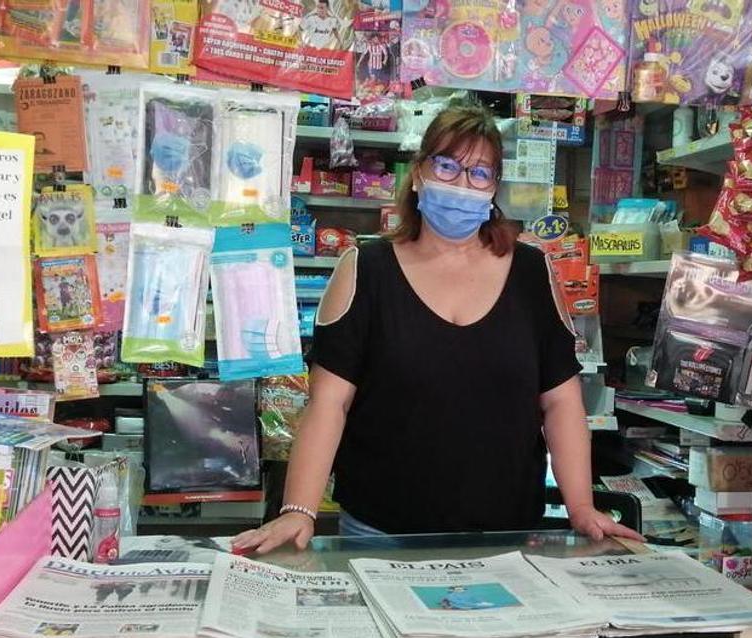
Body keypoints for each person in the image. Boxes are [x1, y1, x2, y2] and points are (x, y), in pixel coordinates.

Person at [232, 105, 642, 553]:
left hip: (507, 532)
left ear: (494, 189)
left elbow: (562, 402)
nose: (462, 183)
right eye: (447, 166)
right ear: (420, 173)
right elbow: (329, 403)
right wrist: (299, 509)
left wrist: (580, 506)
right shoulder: (366, 270)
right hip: (380, 530)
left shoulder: (533, 273)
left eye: (480, 173)